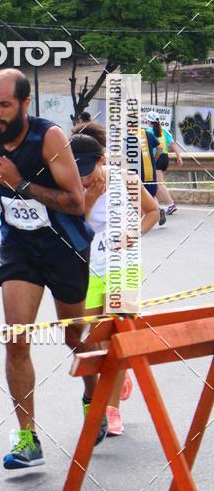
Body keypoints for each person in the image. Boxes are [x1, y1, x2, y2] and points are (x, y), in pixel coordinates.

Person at [0, 69, 107, 471]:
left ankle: (92, 398)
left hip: (65, 247)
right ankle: (27, 437)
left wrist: (21, 185)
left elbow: (73, 200)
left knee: (74, 337)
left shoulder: (48, 138)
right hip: (19, 249)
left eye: (4, 106)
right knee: (16, 340)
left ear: (25, 104)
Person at [69, 130, 159, 436]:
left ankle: (112, 410)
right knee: (92, 339)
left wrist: (134, 234)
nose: (81, 178)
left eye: (87, 170)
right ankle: (116, 374)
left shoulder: (123, 178)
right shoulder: (69, 184)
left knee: (115, 337)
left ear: (103, 161)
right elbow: (72, 229)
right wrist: (89, 199)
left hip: (124, 267)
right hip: (88, 268)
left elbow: (152, 212)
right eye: (76, 171)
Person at [146, 111, 183, 216]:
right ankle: (153, 205)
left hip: (156, 158)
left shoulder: (148, 131)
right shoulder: (164, 131)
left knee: (159, 183)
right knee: (156, 183)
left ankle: (171, 204)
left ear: (149, 121)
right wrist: (179, 157)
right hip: (165, 158)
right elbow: (173, 144)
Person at [140, 124, 165, 226]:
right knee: (151, 194)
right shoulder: (147, 134)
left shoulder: (128, 136)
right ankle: (158, 210)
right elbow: (159, 147)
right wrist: (154, 159)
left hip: (137, 170)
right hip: (150, 169)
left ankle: (142, 221)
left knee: (137, 194)